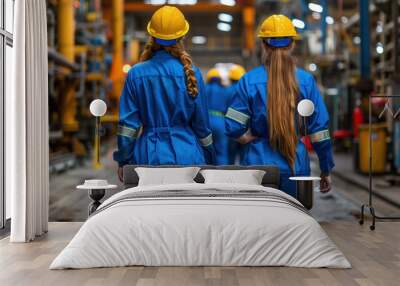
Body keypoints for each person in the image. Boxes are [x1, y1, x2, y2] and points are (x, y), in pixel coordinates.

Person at [225, 15, 334, 197]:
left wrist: (245, 137)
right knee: (294, 222)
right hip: (295, 167)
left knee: (258, 223)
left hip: (257, 168)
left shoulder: (248, 81)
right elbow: (319, 133)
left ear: (263, 45)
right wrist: (325, 169)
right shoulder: (306, 81)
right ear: (292, 44)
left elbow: (233, 126)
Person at [113, 6, 215, 180]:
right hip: (188, 157)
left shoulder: (136, 74)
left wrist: (123, 161)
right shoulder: (192, 73)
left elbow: (128, 127)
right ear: (182, 36)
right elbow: (202, 127)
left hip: (148, 159)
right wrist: (210, 157)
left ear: (152, 36)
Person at [205, 68, 235, 165]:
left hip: (206, 121)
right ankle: (223, 176)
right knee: (222, 151)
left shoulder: (204, 88)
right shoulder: (225, 91)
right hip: (220, 121)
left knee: (206, 150)